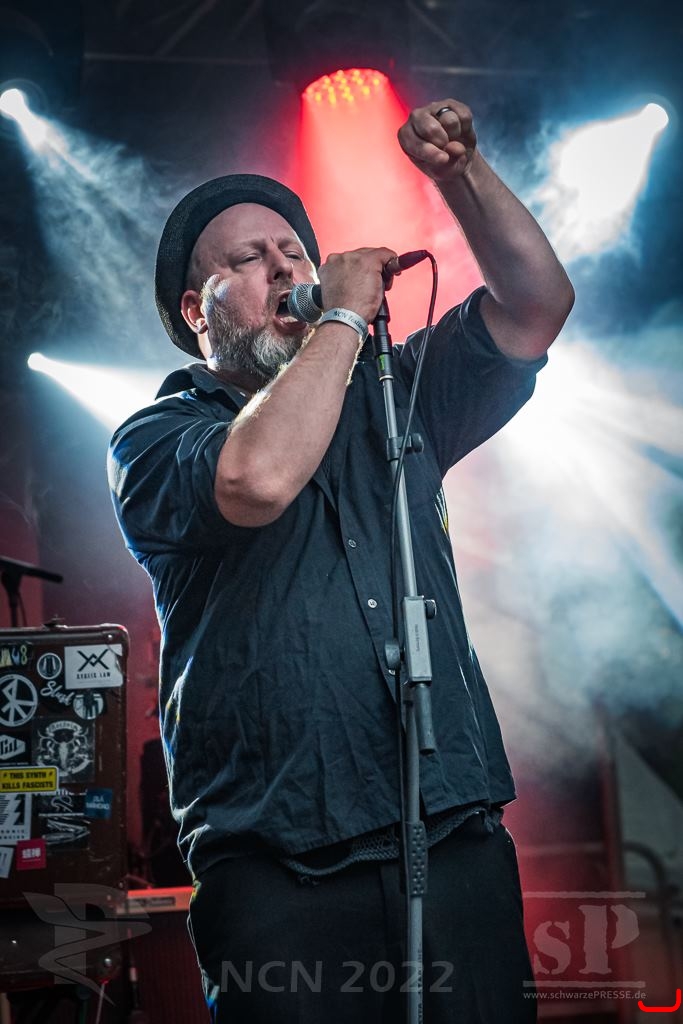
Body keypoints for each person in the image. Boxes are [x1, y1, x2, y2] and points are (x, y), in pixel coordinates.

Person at [108, 98, 574, 1023]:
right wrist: (346, 320)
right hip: (281, 869)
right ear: (197, 312)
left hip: (449, 837)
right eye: (249, 260)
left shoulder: (392, 395)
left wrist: (460, 176)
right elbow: (256, 478)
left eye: (294, 251)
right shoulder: (156, 437)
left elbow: (535, 307)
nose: (286, 268)